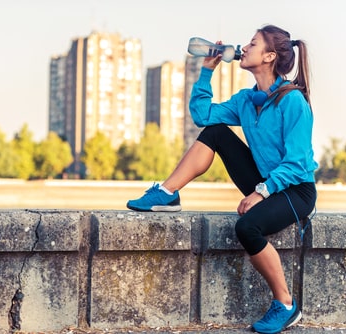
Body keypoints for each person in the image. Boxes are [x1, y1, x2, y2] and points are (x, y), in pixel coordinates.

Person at [126, 25, 318, 333]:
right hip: (265, 183)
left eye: (253, 43)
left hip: (295, 191)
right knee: (215, 132)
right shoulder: (246, 100)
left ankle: (285, 304)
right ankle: (167, 192)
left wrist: (261, 192)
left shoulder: (292, 101)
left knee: (248, 226)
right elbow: (204, 116)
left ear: (269, 56)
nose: (244, 46)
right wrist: (206, 73)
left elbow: (297, 164)